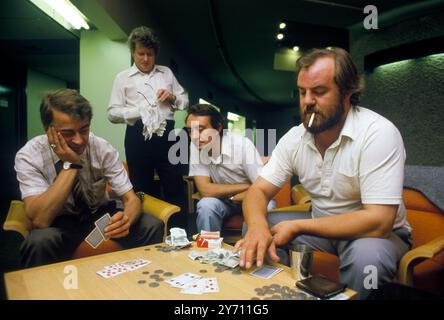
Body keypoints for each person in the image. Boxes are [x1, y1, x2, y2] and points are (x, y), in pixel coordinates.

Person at [235, 47, 412, 299]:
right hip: (319, 226)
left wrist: (297, 225)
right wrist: (256, 226)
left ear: (348, 93)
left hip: (376, 234)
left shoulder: (378, 133)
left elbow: (379, 221)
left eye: (319, 92)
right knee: (257, 229)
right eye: (302, 92)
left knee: (366, 260)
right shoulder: (294, 138)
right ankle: (275, 295)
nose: (307, 101)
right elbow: (258, 191)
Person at [15, 89, 164, 268]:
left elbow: (131, 199)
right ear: (48, 130)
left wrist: (126, 219)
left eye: (84, 130)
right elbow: (40, 220)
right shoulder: (29, 155)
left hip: (98, 217)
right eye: (68, 133)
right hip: (59, 223)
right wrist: (72, 165)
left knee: (151, 224)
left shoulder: (102, 148)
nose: (79, 141)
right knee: (39, 241)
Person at [107, 26, 188, 226]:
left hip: (167, 136)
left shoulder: (167, 73)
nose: (145, 59)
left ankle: (180, 234)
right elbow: (111, 114)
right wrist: (138, 111)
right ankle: (148, 235)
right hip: (137, 136)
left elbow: (185, 102)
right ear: (133, 53)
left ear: (155, 54)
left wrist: (172, 97)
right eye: (140, 54)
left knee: (175, 186)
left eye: (149, 54)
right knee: (142, 188)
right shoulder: (122, 78)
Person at [186, 104, 275, 232]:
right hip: (224, 201)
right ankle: (210, 250)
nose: (194, 136)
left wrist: (237, 196)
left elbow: (262, 188)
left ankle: (255, 249)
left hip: (253, 197)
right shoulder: (196, 146)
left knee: (268, 207)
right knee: (206, 205)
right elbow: (205, 189)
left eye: (201, 129)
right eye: (190, 131)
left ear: (218, 128)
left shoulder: (242, 146)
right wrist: (245, 186)